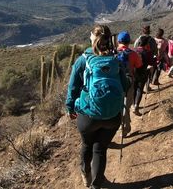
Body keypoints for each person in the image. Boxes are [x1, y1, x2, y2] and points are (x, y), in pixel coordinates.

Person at [66, 25, 129, 189]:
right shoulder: (116, 60)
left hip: (88, 115)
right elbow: (126, 85)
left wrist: (70, 108)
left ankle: (85, 175)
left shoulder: (83, 60)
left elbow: (72, 87)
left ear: (93, 38)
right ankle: (97, 185)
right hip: (112, 116)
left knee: (87, 145)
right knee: (100, 149)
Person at [116, 31, 142, 136]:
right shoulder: (133, 53)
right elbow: (139, 66)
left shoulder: (113, 53)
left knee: (119, 105)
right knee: (126, 105)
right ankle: (125, 128)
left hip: (116, 82)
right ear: (128, 42)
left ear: (118, 41)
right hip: (129, 81)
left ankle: (123, 124)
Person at [133, 35, 155, 115]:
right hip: (143, 73)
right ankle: (136, 106)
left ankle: (133, 104)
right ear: (146, 44)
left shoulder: (134, 50)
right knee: (140, 89)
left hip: (134, 73)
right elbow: (151, 64)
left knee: (134, 89)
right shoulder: (147, 52)